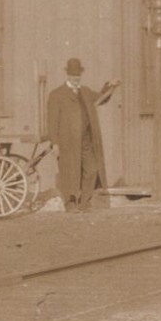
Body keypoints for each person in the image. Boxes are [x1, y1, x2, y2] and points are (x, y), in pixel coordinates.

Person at [44, 57, 119, 212]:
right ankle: (70, 204)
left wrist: (110, 86)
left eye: (77, 75)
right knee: (69, 171)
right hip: (67, 141)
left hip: (85, 140)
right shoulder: (57, 95)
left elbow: (100, 98)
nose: (75, 77)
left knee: (92, 169)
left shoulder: (85, 91)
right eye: (72, 75)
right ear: (67, 75)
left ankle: (84, 202)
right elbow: (52, 121)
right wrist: (55, 143)